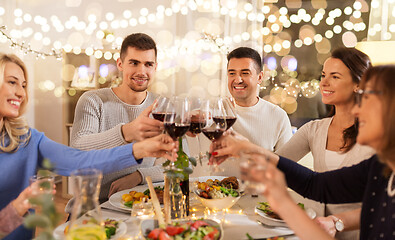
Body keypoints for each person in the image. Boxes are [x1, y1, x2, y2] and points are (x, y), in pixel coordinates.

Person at [0, 53, 176, 239]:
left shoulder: (27, 139)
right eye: (12, 82)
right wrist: (17, 208)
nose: (21, 93)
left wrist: (139, 149)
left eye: (24, 85)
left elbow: (82, 161)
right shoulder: (93, 100)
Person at [210, 65, 395, 240]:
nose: (356, 109)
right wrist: (247, 148)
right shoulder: (380, 167)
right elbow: (316, 184)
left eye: (366, 99)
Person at [275, 47, 375, 239]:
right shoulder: (314, 129)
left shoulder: (380, 136)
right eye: (323, 75)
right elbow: (277, 164)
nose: (324, 83)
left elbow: (382, 204)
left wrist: (337, 223)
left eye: (335, 77)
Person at [70, 33, 165, 202]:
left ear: (155, 67)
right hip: (93, 205)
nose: (141, 71)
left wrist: (139, 175)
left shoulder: (162, 106)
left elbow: (184, 162)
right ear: (120, 64)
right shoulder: (93, 100)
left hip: (139, 204)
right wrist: (126, 132)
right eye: (134, 63)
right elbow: (78, 148)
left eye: (148, 64)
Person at [226, 47, 292, 151]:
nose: (238, 80)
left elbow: (286, 164)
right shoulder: (215, 111)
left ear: (260, 77)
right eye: (232, 73)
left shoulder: (278, 116)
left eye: (245, 73)